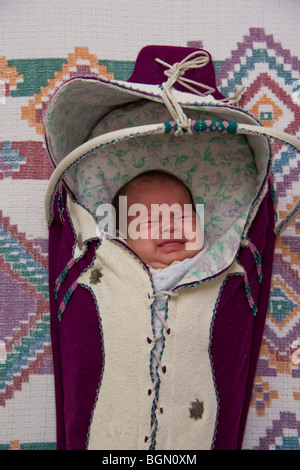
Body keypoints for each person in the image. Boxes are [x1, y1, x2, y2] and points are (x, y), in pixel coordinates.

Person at [111, 169, 204, 270]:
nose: (170, 226)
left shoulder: (218, 257)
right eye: (150, 221)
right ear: (122, 241)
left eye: (182, 217)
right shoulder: (122, 277)